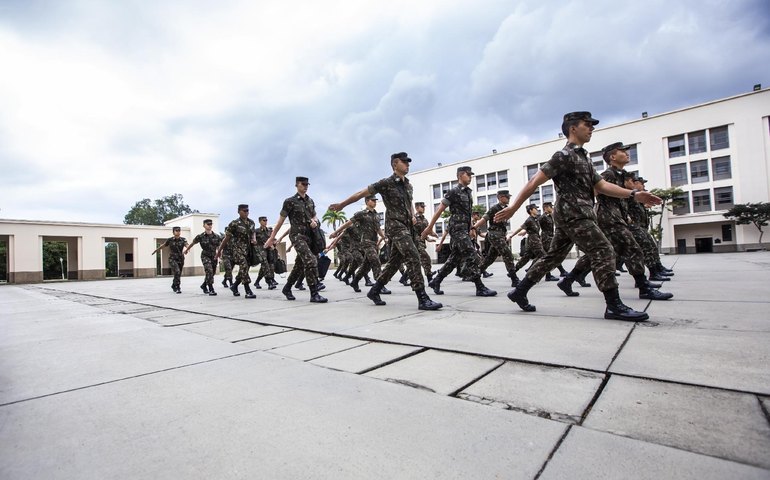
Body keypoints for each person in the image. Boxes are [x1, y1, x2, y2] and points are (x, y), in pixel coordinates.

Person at [494, 111, 662, 321]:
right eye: (587, 124)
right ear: (573, 128)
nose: (591, 128)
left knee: (554, 256)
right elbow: (533, 182)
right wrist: (513, 208)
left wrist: (634, 194)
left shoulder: (584, 157)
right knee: (603, 249)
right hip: (573, 214)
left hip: (576, 214)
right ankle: (614, 305)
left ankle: (520, 291)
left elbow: (601, 185)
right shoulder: (563, 156)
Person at [555, 142, 672, 301]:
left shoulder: (620, 174)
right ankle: (643, 287)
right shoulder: (608, 174)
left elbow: (621, 197)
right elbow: (594, 191)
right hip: (609, 219)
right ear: (612, 157)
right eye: (622, 151)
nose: (626, 153)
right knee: (633, 249)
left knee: (599, 254)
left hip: (616, 217)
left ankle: (568, 280)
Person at [329, 152, 442, 310]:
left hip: (407, 226)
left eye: (408, 162)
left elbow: (409, 202)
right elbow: (361, 193)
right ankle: (422, 297)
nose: (408, 164)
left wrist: (412, 216)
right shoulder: (386, 183)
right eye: (404, 162)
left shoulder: (408, 185)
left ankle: (374, 291)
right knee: (413, 255)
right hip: (395, 226)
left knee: (393, 264)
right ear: (395, 164)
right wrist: (342, 205)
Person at [422, 166, 496, 297]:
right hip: (456, 229)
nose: (471, 177)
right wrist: (429, 227)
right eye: (469, 175)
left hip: (463, 229)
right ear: (461, 175)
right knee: (471, 254)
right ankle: (480, 287)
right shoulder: (453, 192)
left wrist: (470, 229)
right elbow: (440, 209)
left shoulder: (468, 192)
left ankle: (436, 281)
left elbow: (467, 214)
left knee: (454, 259)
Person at [265, 176, 327, 303]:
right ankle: (314, 293)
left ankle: (287, 288)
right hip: (297, 236)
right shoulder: (290, 201)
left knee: (299, 265)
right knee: (311, 260)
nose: (305, 186)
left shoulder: (310, 201)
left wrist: (315, 221)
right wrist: (272, 238)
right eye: (303, 184)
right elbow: (281, 221)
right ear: (297, 185)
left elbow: (315, 216)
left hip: (310, 237)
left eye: (307, 184)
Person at [475, 190, 518, 287]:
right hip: (494, 234)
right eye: (507, 197)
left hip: (501, 234)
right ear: (501, 197)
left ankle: (475, 274)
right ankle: (514, 279)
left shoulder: (507, 208)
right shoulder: (495, 208)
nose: (509, 199)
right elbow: (484, 218)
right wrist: (474, 227)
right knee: (507, 254)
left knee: (490, 258)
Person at [216, 204, 257, 299]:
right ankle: (248, 290)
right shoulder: (234, 223)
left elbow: (253, 232)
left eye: (247, 210)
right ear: (239, 212)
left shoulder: (251, 223)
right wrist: (219, 251)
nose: (246, 212)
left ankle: (234, 286)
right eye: (244, 211)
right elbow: (226, 238)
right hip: (237, 250)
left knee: (244, 269)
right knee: (244, 265)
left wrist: (254, 239)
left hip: (248, 250)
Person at [507, 204, 546, 283]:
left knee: (526, 257)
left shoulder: (536, 219)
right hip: (533, 240)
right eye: (535, 208)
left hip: (535, 239)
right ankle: (532, 272)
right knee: (543, 256)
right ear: (531, 210)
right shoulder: (529, 220)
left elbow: (529, 228)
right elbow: (520, 228)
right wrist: (511, 236)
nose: (537, 210)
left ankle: (513, 272)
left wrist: (525, 231)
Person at [183, 219, 221, 295]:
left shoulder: (216, 236)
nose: (210, 226)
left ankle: (204, 285)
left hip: (214, 256)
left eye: (211, 224)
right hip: (205, 255)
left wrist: (220, 255)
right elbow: (193, 243)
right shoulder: (200, 236)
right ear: (204, 225)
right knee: (209, 271)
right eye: (208, 224)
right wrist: (187, 249)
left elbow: (219, 246)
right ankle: (211, 288)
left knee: (212, 273)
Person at [151, 226, 188, 293]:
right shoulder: (170, 240)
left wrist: (187, 249)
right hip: (172, 259)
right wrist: (156, 250)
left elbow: (186, 245)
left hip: (181, 259)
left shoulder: (183, 239)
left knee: (178, 274)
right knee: (177, 271)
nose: (178, 232)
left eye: (179, 230)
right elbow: (163, 245)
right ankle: (177, 287)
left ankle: (174, 284)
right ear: (173, 232)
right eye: (176, 231)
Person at [538, 202, 569, 281]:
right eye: (550, 207)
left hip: (550, 237)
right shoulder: (543, 217)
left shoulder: (550, 216)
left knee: (551, 255)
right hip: (546, 238)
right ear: (545, 208)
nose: (552, 208)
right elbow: (536, 224)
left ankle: (557, 273)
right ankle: (552, 274)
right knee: (551, 255)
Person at [413, 202, 436, 282]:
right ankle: (430, 279)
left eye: (424, 207)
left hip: (422, 242)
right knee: (426, 259)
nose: (423, 208)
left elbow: (426, 231)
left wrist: (430, 238)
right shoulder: (413, 218)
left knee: (416, 261)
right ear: (416, 208)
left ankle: (404, 278)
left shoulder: (425, 219)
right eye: (422, 207)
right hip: (415, 242)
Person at [253, 216, 277, 290]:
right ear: (260, 221)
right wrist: (254, 241)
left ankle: (257, 282)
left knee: (269, 266)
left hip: (269, 250)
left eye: (266, 220)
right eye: (264, 220)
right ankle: (269, 282)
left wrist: (274, 243)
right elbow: (253, 239)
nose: (265, 222)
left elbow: (273, 239)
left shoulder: (269, 230)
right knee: (265, 264)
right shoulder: (256, 231)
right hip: (261, 249)